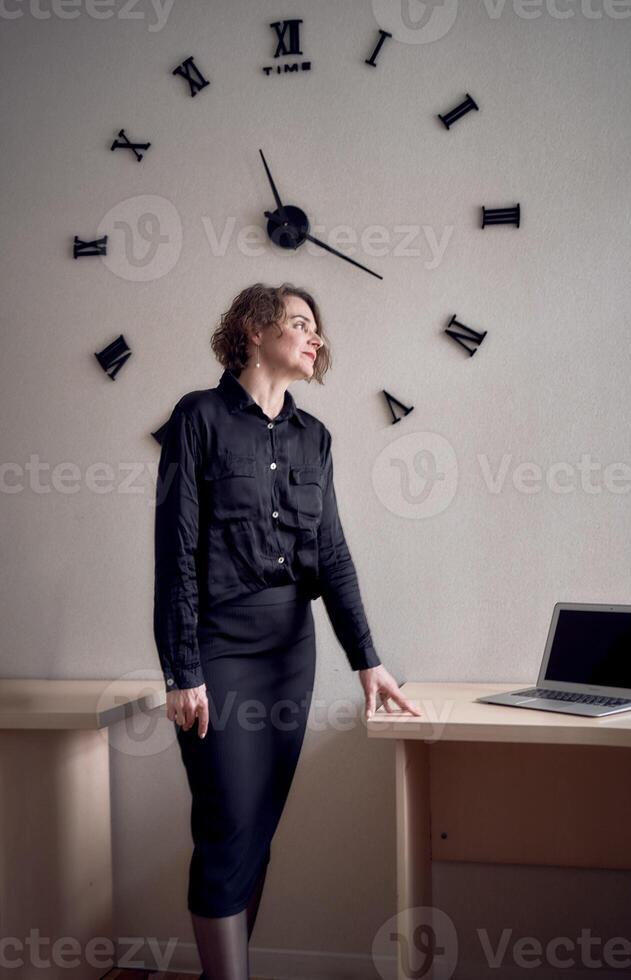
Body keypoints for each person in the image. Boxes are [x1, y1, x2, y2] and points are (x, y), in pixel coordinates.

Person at [153, 282, 422, 980]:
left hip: (288, 652)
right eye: (301, 323)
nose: (316, 338)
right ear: (253, 328)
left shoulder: (316, 438)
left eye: (318, 329)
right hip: (217, 647)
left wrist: (369, 661)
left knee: (258, 831)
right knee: (226, 824)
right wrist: (182, 668)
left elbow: (331, 555)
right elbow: (175, 551)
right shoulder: (198, 418)